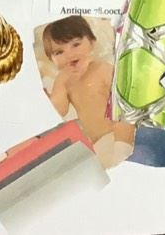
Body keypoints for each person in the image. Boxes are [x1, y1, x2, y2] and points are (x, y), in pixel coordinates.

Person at [40, 16, 131, 159]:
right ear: (51, 59)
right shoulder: (65, 81)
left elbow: (125, 103)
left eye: (76, 44)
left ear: (92, 42)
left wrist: (122, 144)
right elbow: (58, 110)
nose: (69, 54)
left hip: (116, 137)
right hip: (95, 145)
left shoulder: (101, 70)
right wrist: (59, 84)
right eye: (59, 52)